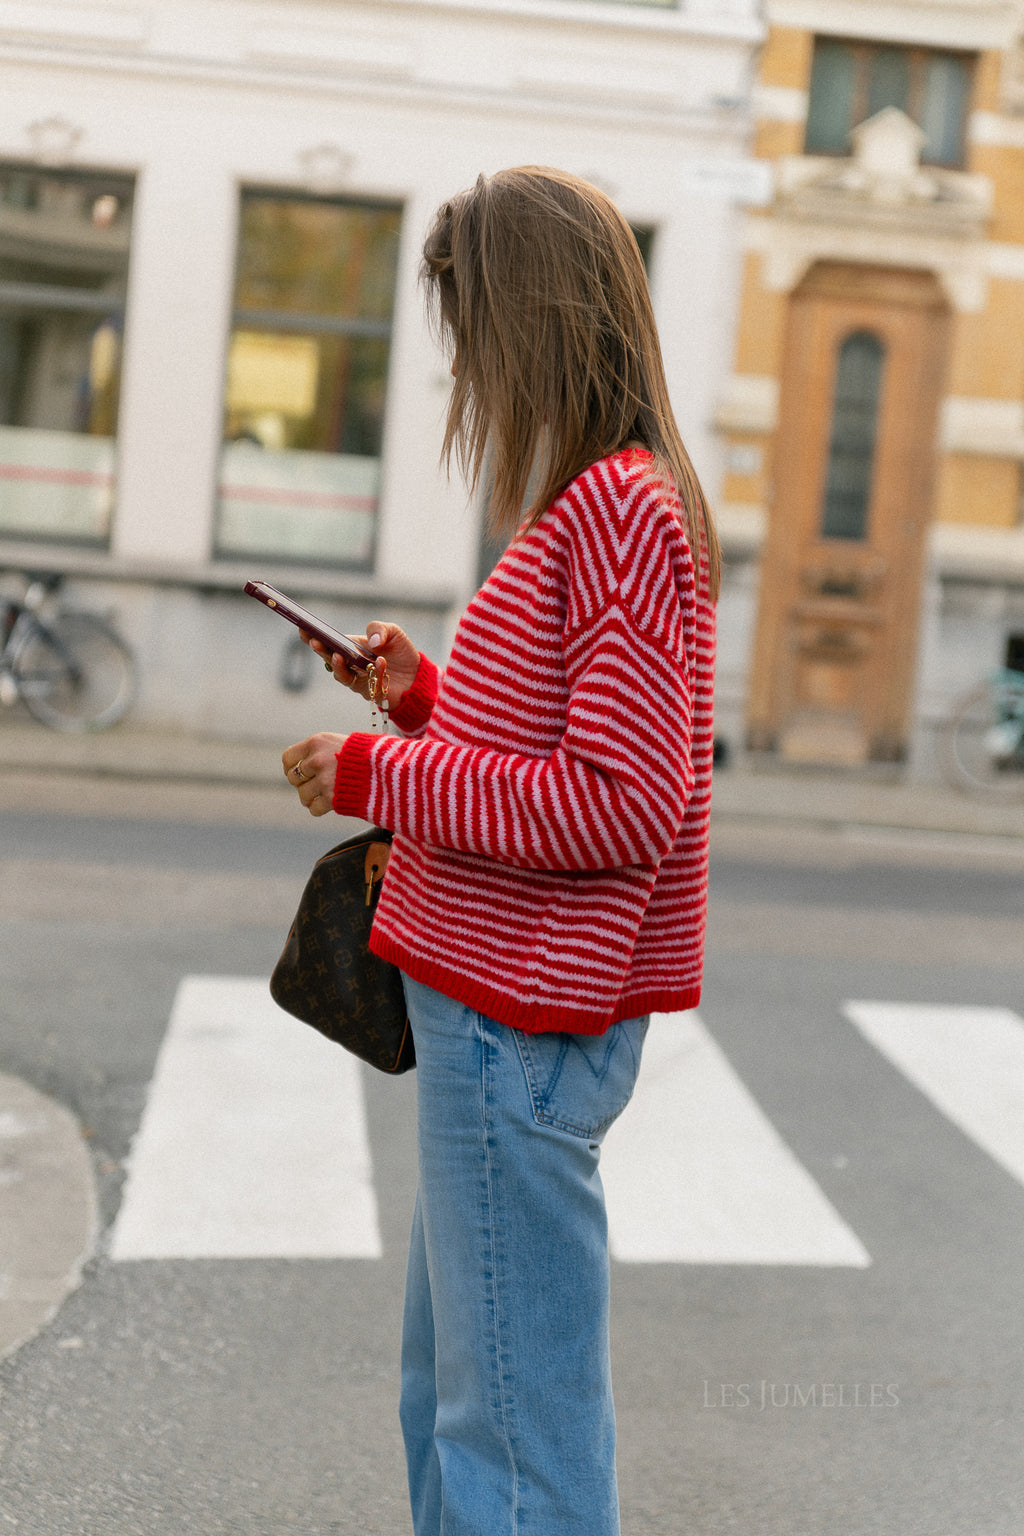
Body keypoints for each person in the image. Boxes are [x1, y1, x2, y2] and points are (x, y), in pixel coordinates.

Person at [282, 166, 718, 1536]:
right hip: (502, 1010)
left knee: (509, 1443)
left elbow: (616, 804)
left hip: (516, 1013)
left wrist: (381, 770)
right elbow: (565, 754)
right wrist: (421, 700)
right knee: (468, 1408)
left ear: (529, 321)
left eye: (471, 329)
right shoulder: (607, 506)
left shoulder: (620, 518)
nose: (467, 368)